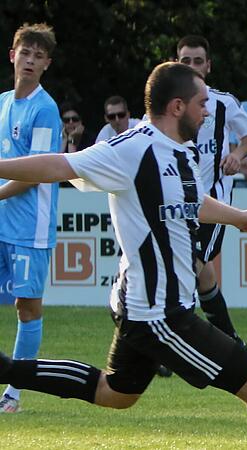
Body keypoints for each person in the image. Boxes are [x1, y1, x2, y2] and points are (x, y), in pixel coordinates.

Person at [0, 61, 247, 449]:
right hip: (159, 314)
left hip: (149, 306)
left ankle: (6, 368)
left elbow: (190, 202)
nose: (208, 110)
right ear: (177, 107)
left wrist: (237, 217)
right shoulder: (131, 148)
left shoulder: (180, 151)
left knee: (114, 392)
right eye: (201, 102)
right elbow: (59, 165)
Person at [176, 35, 247, 346]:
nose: (192, 67)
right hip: (177, 205)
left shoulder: (223, 103)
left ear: (208, 66)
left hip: (214, 203)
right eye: (186, 61)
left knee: (189, 264)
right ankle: (230, 340)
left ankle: (174, 341)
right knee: (202, 274)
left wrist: (237, 155)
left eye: (198, 61)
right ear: (176, 63)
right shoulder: (168, 106)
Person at [0, 23, 61, 414]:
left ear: (46, 64)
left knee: (27, 306)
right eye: (26, 52)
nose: (30, 60)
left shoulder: (46, 109)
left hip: (29, 227)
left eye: (39, 56)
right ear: (13, 55)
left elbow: (32, 173)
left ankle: (14, 393)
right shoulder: (3, 101)